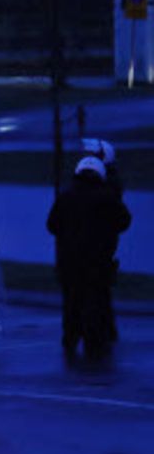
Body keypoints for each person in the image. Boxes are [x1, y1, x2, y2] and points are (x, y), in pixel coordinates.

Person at [47, 156, 131, 359]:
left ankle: (70, 338)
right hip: (98, 259)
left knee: (71, 300)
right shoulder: (107, 197)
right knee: (95, 299)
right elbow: (124, 221)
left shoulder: (65, 196)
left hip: (69, 259)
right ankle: (94, 341)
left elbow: (52, 225)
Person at [81, 137, 124, 340]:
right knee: (100, 287)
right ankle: (106, 328)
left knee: (97, 286)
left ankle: (102, 328)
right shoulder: (109, 181)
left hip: (101, 243)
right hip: (104, 241)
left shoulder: (108, 184)